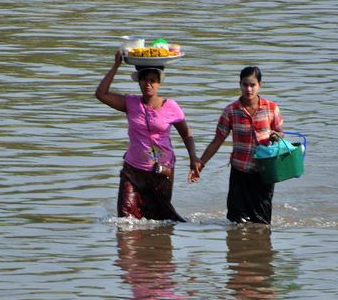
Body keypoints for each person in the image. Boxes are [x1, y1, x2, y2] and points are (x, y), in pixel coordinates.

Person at [96, 50, 199, 222]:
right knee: (125, 221)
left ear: (159, 83)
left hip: (161, 172)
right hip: (132, 170)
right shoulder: (130, 103)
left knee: (160, 223)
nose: (148, 84)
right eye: (144, 80)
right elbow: (101, 94)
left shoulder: (171, 107)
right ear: (139, 82)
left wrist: (193, 158)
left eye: (152, 80)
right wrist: (116, 65)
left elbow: (186, 133)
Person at [191, 66, 283, 224]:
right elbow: (218, 140)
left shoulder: (271, 108)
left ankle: (260, 247)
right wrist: (201, 163)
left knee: (261, 220)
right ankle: (238, 247)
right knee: (236, 219)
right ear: (239, 84)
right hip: (239, 170)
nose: (248, 89)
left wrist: (276, 136)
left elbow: (280, 134)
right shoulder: (231, 111)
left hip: (264, 171)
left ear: (260, 85)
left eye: (252, 85)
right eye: (245, 84)